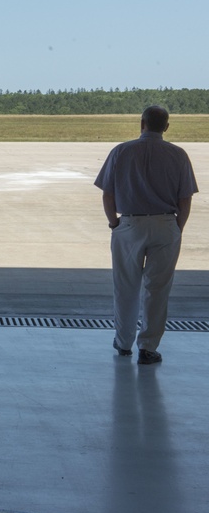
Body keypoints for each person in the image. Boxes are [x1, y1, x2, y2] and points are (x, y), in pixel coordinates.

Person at [95, 105, 198, 365]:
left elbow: (107, 193)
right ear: (166, 127)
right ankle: (148, 348)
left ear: (142, 123)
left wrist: (113, 223)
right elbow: (185, 198)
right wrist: (178, 228)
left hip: (129, 225)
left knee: (125, 285)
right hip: (165, 225)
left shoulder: (121, 151)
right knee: (158, 289)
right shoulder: (178, 154)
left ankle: (123, 342)